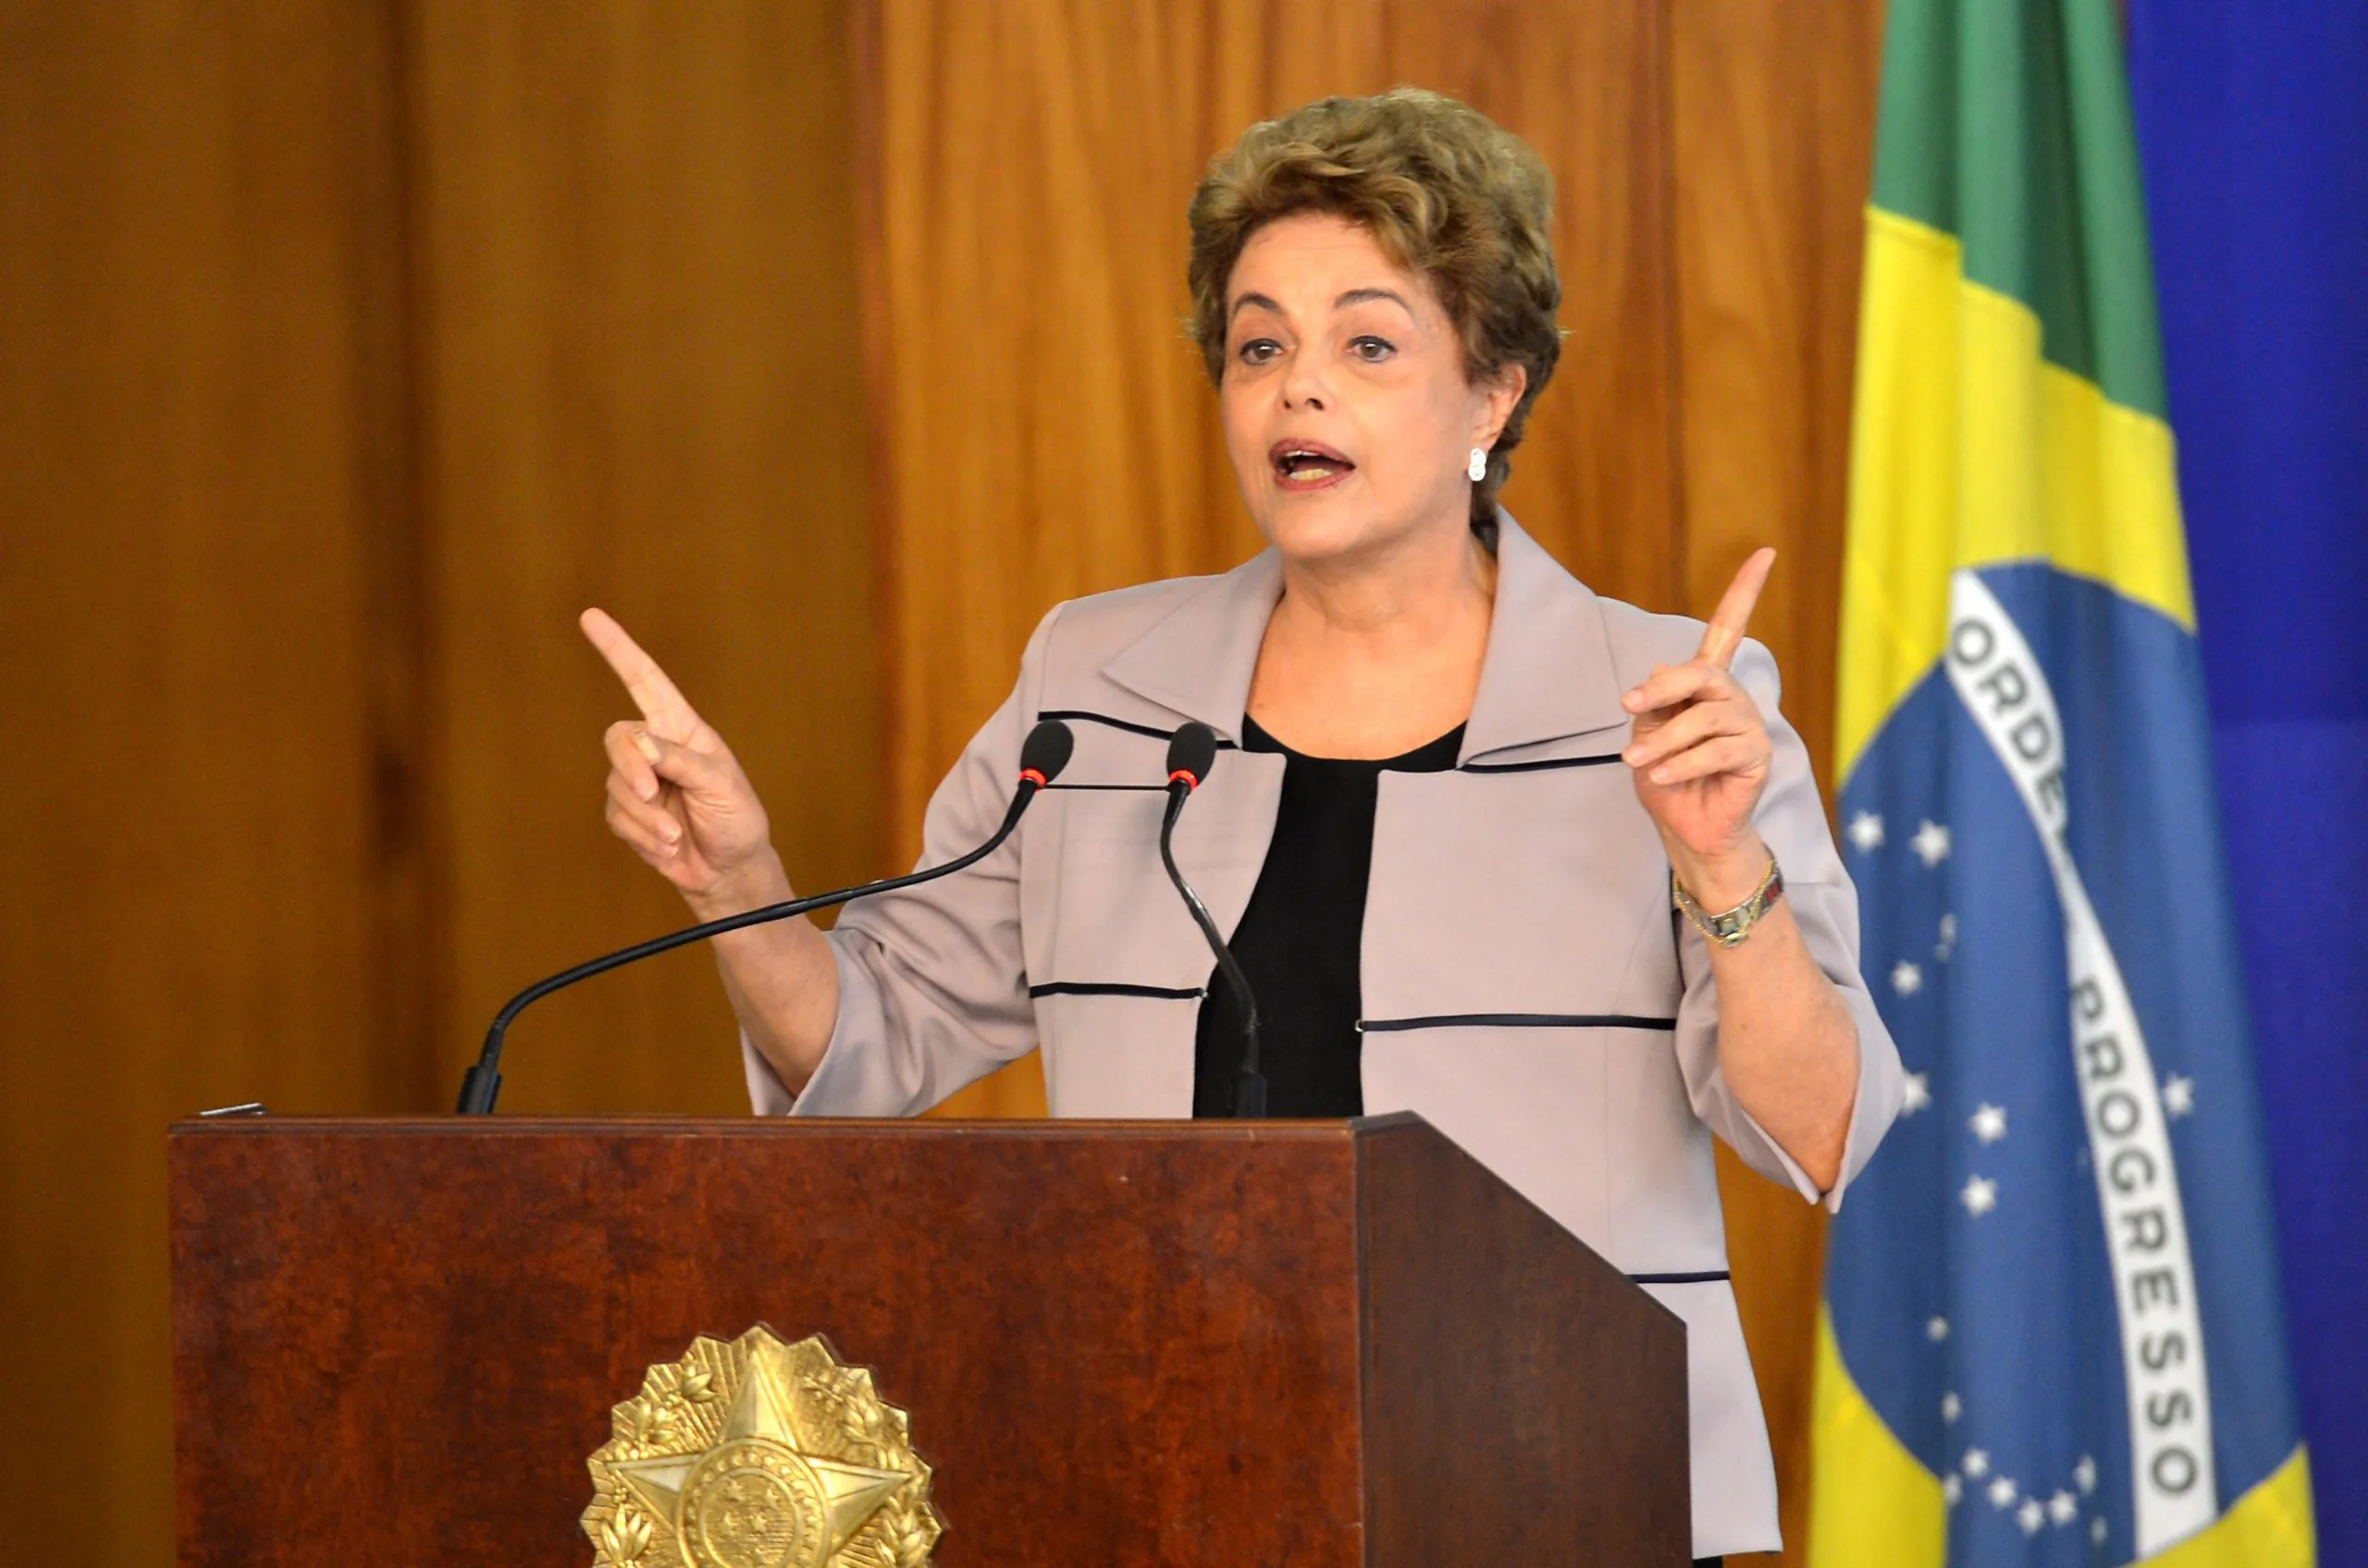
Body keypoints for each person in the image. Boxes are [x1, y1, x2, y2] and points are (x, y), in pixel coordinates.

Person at [581, 88, 1903, 1562]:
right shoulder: (1099, 681)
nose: (1297, 389)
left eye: (1369, 344)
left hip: (1565, 1494)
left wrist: (1726, 871)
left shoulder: (1661, 703)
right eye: (1260, 343)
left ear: (1494, 395)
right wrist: (739, 882)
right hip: (1175, 1482)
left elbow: (1820, 1132)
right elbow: (870, 1040)